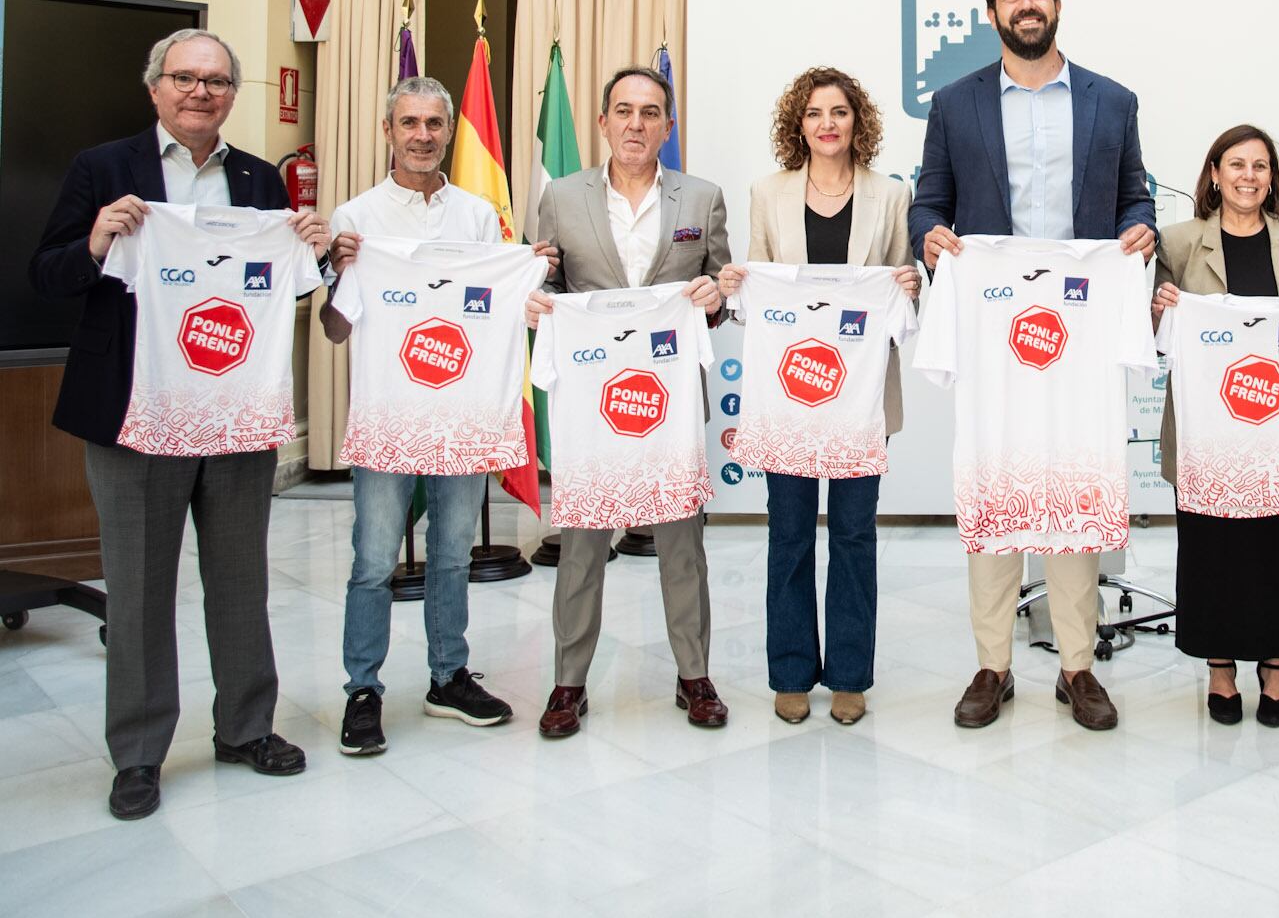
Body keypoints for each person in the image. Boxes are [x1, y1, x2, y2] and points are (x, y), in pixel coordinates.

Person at [29, 28, 331, 820]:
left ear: (234, 93)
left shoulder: (259, 179)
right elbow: (47, 271)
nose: (203, 91)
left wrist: (313, 255)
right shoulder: (104, 169)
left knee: (240, 580)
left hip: (233, 414)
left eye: (218, 80)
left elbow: (274, 297)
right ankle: (137, 754)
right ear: (155, 86)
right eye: (186, 78)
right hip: (134, 413)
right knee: (135, 588)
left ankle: (246, 727)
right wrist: (97, 238)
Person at [910, 0, 1157, 731]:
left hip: (1080, 330)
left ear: (1056, 5)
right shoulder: (955, 103)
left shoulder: (1113, 101)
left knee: (1078, 481)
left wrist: (1137, 232)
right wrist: (933, 237)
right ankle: (993, 663)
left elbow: (1132, 196)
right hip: (994, 328)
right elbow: (928, 202)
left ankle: (1077, 666)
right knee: (995, 475)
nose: (1026, 5)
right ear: (991, 13)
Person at [319, 76, 558, 755]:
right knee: (373, 558)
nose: (422, 135)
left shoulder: (480, 217)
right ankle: (362, 688)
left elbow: (502, 311)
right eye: (409, 122)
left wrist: (532, 272)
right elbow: (337, 329)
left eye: (434, 123)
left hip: (463, 412)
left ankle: (448, 675)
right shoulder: (355, 217)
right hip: (388, 413)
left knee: (452, 553)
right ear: (387, 131)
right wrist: (338, 275)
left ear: (450, 131)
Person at [528, 66, 729, 736]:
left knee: (682, 545)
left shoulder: (701, 199)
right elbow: (550, 282)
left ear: (668, 126)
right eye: (624, 111)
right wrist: (537, 293)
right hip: (592, 404)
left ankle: (694, 675)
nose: (636, 123)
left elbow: (719, 291)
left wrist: (717, 297)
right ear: (603, 122)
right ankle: (568, 681)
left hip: (667, 403)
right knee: (582, 543)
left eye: (650, 113)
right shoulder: (559, 195)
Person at [716, 66, 919, 728]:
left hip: (860, 394)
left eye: (839, 111)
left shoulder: (891, 196)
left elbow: (898, 283)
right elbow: (754, 292)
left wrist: (909, 283)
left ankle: (851, 675)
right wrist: (738, 283)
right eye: (814, 113)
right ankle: (792, 670)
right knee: (792, 533)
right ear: (796, 125)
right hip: (789, 392)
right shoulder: (767, 193)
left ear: (857, 121)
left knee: (856, 534)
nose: (827, 123)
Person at [1151, 124, 1279, 726]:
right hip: (1207, 432)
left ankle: (1276, 666)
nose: (1247, 177)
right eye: (1235, 165)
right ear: (1214, 173)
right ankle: (1219, 668)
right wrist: (1157, 309)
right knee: (1212, 550)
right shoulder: (1180, 241)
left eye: (1260, 166)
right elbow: (1157, 340)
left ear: (1273, 177)